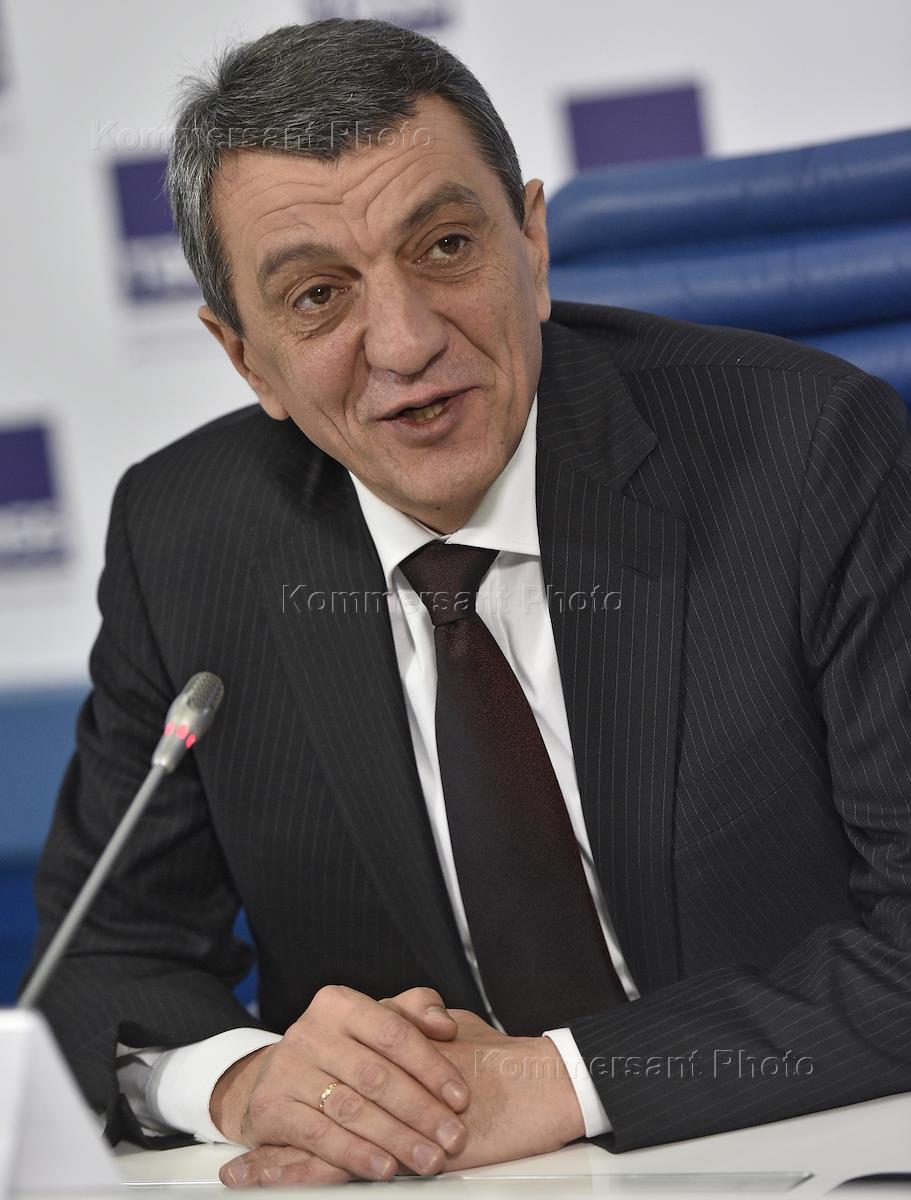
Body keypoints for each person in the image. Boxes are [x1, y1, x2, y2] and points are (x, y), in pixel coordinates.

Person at [23, 16, 911, 1190]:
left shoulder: (807, 455)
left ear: (530, 243)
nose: (403, 343)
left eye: (445, 246)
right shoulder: (186, 539)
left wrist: (555, 1082)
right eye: (317, 296)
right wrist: (240, 1081)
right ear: (244, 359)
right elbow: (100, 966)